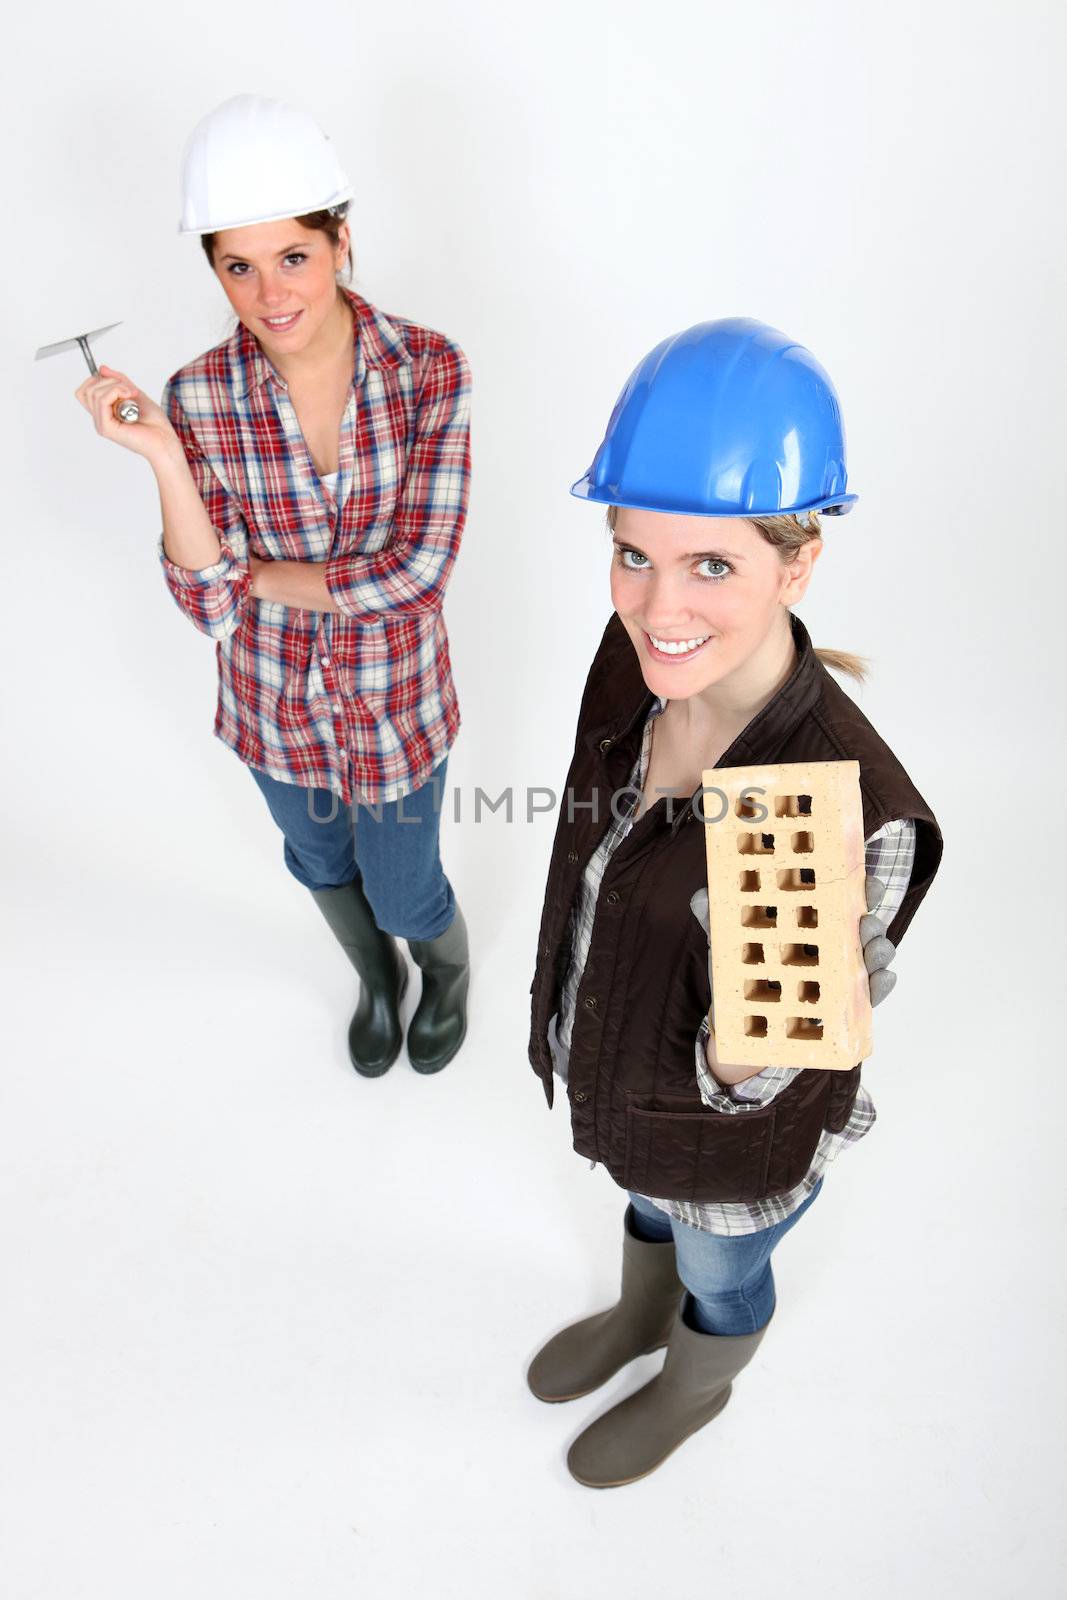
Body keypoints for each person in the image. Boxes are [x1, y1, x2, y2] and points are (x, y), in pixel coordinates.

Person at [526, 318, 944, 1487]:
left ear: (797, 563)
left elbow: (755, 1086)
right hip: (621, 1085)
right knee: (640, 1199)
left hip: (722, 1157)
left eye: (712, 565)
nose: (657, 604)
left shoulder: (840, 812)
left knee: (715, 1258)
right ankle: (633, 1314)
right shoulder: (633, 670)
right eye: (631, 553)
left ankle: (693, 1383)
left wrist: (785, 999)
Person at [75, 94, 471, 1079]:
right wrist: (165, 458)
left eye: (291, 256)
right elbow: (210, 608)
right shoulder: (199, 395)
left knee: (408, 887)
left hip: (395, 709)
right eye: (236, 266)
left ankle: (441, 973)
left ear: (339, 239)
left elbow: (416, 576)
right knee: (319, 864)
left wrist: (249, 569)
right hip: (270, 710)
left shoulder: (430, 370)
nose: (268, 293)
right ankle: (376, 982)